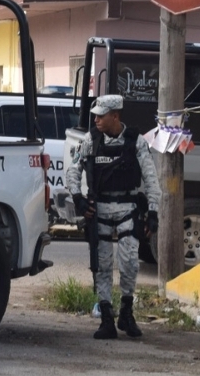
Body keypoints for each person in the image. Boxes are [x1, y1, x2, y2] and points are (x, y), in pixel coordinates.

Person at [65, 94, 161, 340]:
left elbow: (151, 178)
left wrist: (153, 212)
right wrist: (78, 198)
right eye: (95, 115)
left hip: (128, 208)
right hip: (100, 210)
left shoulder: (136, 142)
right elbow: (73, 170)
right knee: (103, 266)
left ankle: (126, 313)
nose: (96, 119)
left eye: (101, 115)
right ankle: (106, 317)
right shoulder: (90, 140)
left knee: (129, 262)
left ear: (115, 115)